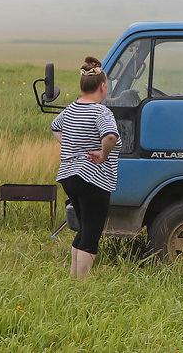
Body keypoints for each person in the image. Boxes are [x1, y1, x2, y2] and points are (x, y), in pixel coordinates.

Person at [51, 56, 121, 279]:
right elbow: (110, 136)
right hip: (93, 178)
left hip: (69, 177)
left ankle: (73, 278)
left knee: (83, 229)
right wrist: (103, 153)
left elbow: (54, 126)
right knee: (92, 234)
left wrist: (71, 145)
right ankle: (82, 285)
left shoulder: (71, 109)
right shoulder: (102, 112)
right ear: (102, 87)